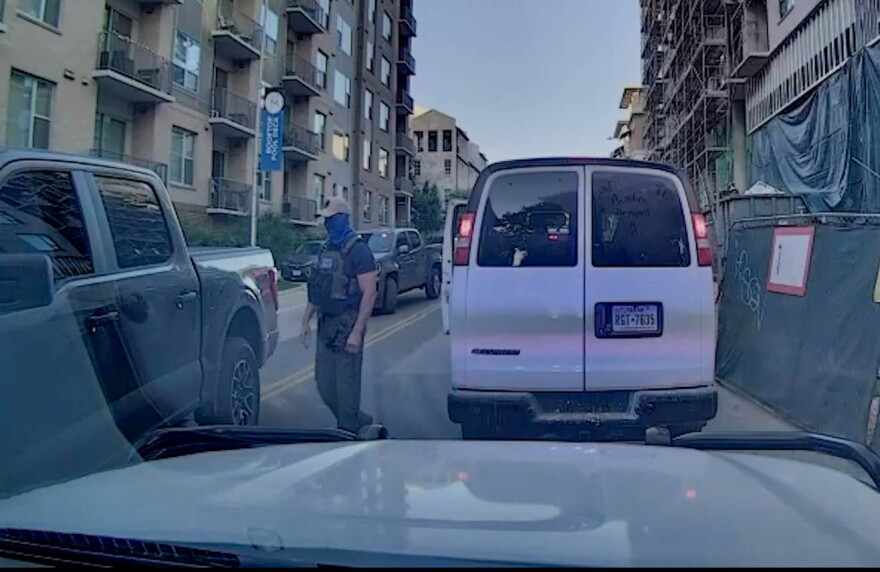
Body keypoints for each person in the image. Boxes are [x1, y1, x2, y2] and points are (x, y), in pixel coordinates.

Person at [300, 197, 378, 433]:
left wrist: (357, 332)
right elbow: (319, 289)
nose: (327, 224)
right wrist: (306, 320)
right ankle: (358, 421)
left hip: (347, 324)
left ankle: (350, 433)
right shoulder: (326, 249)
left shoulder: (359, 251)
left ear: (342, 219)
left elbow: (370, 293)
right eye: (325, 220)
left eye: (331, 219)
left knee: (346, 388)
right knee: (324, 385)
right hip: (326, 324)